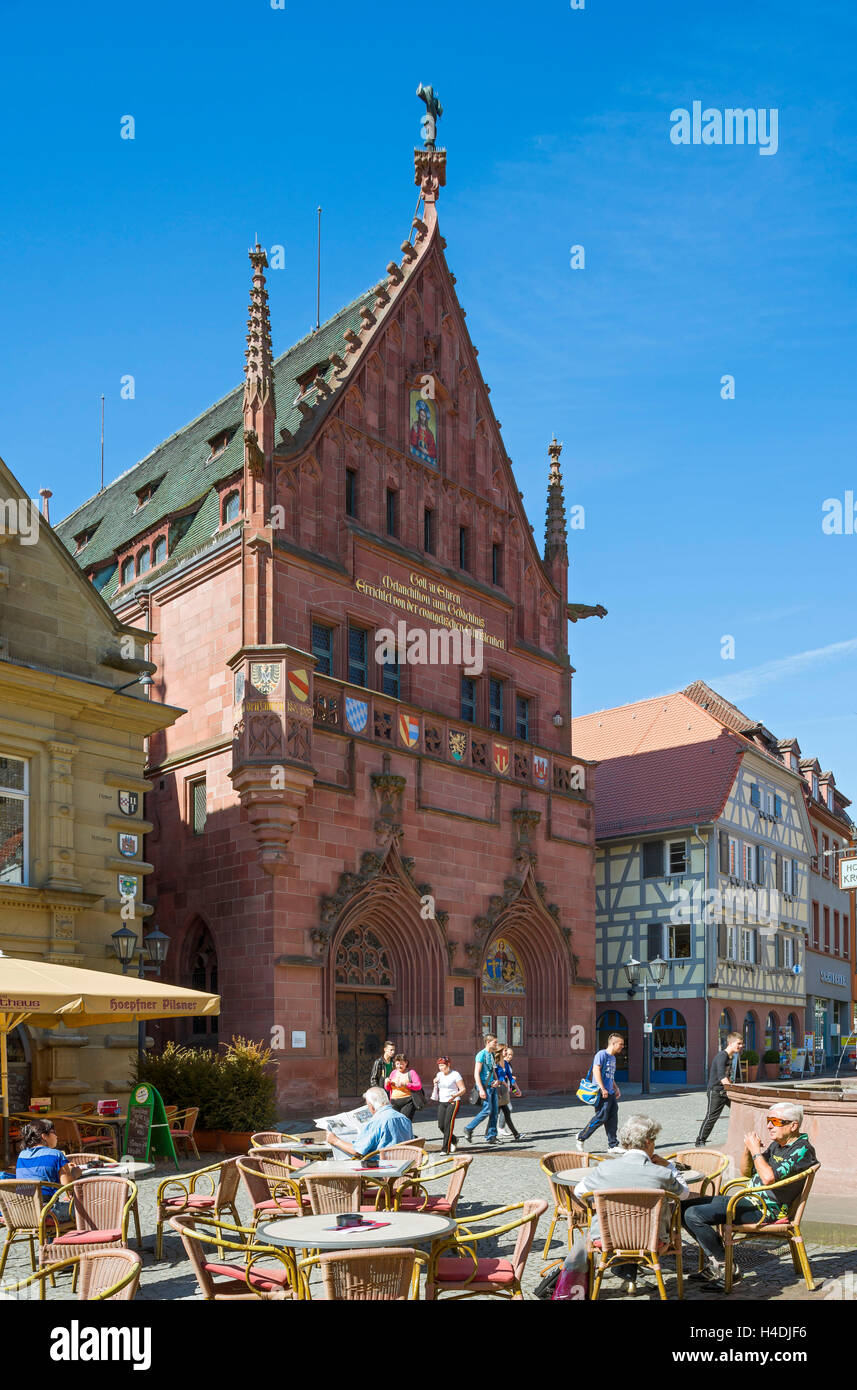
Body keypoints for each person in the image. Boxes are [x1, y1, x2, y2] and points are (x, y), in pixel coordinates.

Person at [682, 1101, 818, 1290]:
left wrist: (756, 1151)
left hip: (766, 1210)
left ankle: (727, 1267)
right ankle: (717, 1262)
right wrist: (748, 1149)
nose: (769, 1125)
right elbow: (747, 1172)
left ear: (793, 1125)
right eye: (768, 1120)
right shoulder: (778, 1144)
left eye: (775, 1121)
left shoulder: (801, 1150)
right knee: (681, 1209)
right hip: (749, 1200)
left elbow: (769, 1178)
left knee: (694, 1215)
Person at [573, 1114, 689, 1295]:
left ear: (626, 1142)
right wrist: (670, 1167)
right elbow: (684, 1193)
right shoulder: (661, 1173)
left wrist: (595, 1201)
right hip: (652, 1240)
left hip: (606, 1238)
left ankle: (621, 1272)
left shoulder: (604, 1169)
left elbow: (579, 1191)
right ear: (649, 1142)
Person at [15, 1119, 80, 1222]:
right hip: (48, 1212)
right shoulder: (56, 1154)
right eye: (54, 1133)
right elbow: (68, 1187)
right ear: (44, 1136)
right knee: (85, 1208)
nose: (57, 1136)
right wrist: (75, 1172)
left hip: (24, 1212)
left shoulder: (22, 1155)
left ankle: (50, 1238)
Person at [326, 1086, 414, 1158]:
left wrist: (335, 1140)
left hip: (381, 1171)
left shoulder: (377, 1121)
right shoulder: (404, 1118)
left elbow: (357, 1151)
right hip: (403, 1168)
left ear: (371, 1106)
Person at [576, 1033, 624, 1154]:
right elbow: (596, 1070)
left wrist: (616, 1088)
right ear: (613, 1043)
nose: (622, 1046)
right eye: (621, 1044)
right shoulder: (601, 1054)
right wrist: (602, 1088)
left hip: (610, 1093)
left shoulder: (612, 1058)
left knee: (613, 1118)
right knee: (601, 1117)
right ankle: (581, 1136)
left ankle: (613, 1145)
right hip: (601, 1092)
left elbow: (610, 1076)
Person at [695, 1031, 743, 1146]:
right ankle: (700, 1140)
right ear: (730, 1043)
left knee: (740, 1110)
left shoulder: (730, 1057)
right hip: (716, 1091)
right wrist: (733, 1090)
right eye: (739, 1044)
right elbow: (722, 1077)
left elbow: (727, 1077)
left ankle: (741, 1137)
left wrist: (734, 1089)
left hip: (725, 1091)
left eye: (742, 1044)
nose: (741, 1046)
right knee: (712, 1117)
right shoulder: (722, 1056)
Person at [463, 1035, 499, 1145]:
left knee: (494, 1112)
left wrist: (497, 1080)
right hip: (485, 1087)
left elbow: (493, 1070)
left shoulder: (492, 1054)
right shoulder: (481, 1054)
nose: (496, 1044)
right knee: (487, 1110)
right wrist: (481, 1089)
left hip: (493, 1086)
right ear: (488, 1042)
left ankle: (492, 1136)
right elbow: (476, 1073)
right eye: (495, 1042)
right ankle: (469, 1128)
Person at [432, 1056, 466, 1152]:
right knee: (441, 1125)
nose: (441, 1068)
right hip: (442, 1102)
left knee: (448, 1125)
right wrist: (434, 1081)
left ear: (448, 1065)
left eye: (443, 1065)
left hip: (453, 1102)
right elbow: (438, 1084)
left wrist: (455, 1095)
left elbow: (463, 1089)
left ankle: (445, 1149)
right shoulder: (439, 1074)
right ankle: (454, 1139)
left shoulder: (455, 1074)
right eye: (439, 1066)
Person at [495, 1046, 523, 1142]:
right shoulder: (497, 1063)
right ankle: (500, 1129)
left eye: (511, 1054)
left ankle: (513, 1133)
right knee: (495, 1111)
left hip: (505, 1090)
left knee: (504, 1111)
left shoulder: (507, 1064)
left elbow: (510, 1080)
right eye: (507, 1053)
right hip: (499, 1090)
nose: (509, 1056)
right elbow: (498, 1077)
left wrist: (516, 1091)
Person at [385, 1054, 423, 1120]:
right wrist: (386, 1083)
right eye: (397, 1064)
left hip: (407, 1101)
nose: (399, 1066)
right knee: (395, 1122)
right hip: (394, 1102)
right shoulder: (393, 1073)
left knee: (404, 1122)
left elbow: (418, 1086)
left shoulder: (411, 1072)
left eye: (401, 1064)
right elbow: (388, 1088)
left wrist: (405, 1084)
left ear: (406, 1063)